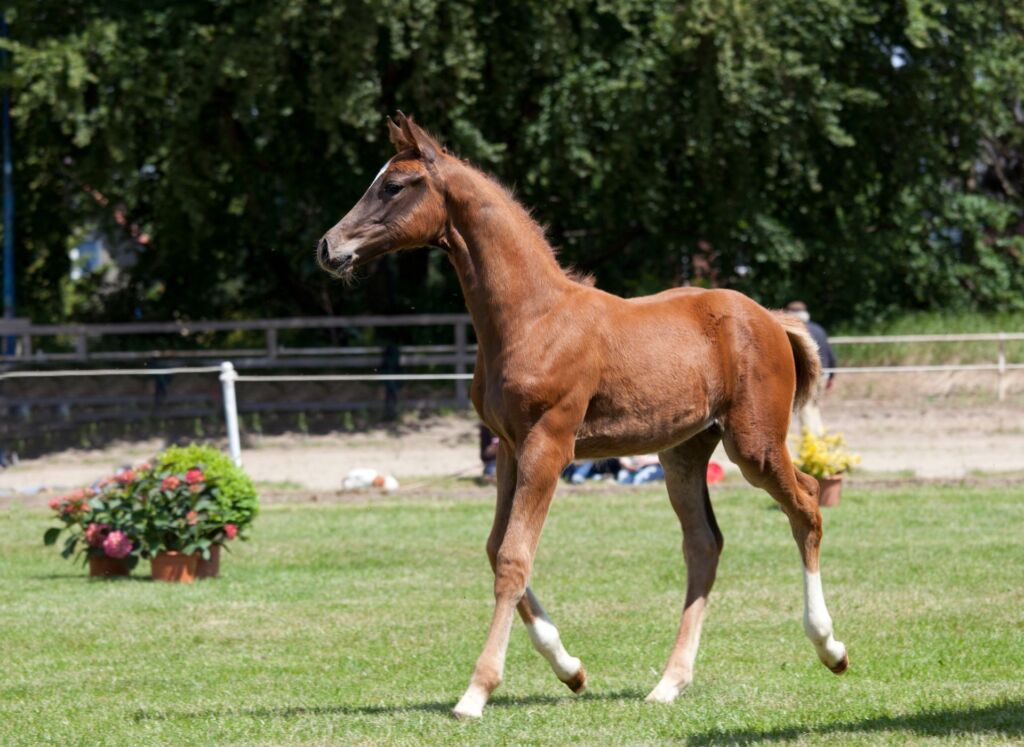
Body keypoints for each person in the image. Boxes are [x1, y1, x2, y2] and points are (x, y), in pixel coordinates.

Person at [785, 301, 836, 436]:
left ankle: (811, 441)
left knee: (805, 409)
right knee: (813, 407)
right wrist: (831, 377)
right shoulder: (818, 329)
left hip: (809, 374)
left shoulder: (796, 331)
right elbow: (831, 355)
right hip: (823, 374)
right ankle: (819, 437)